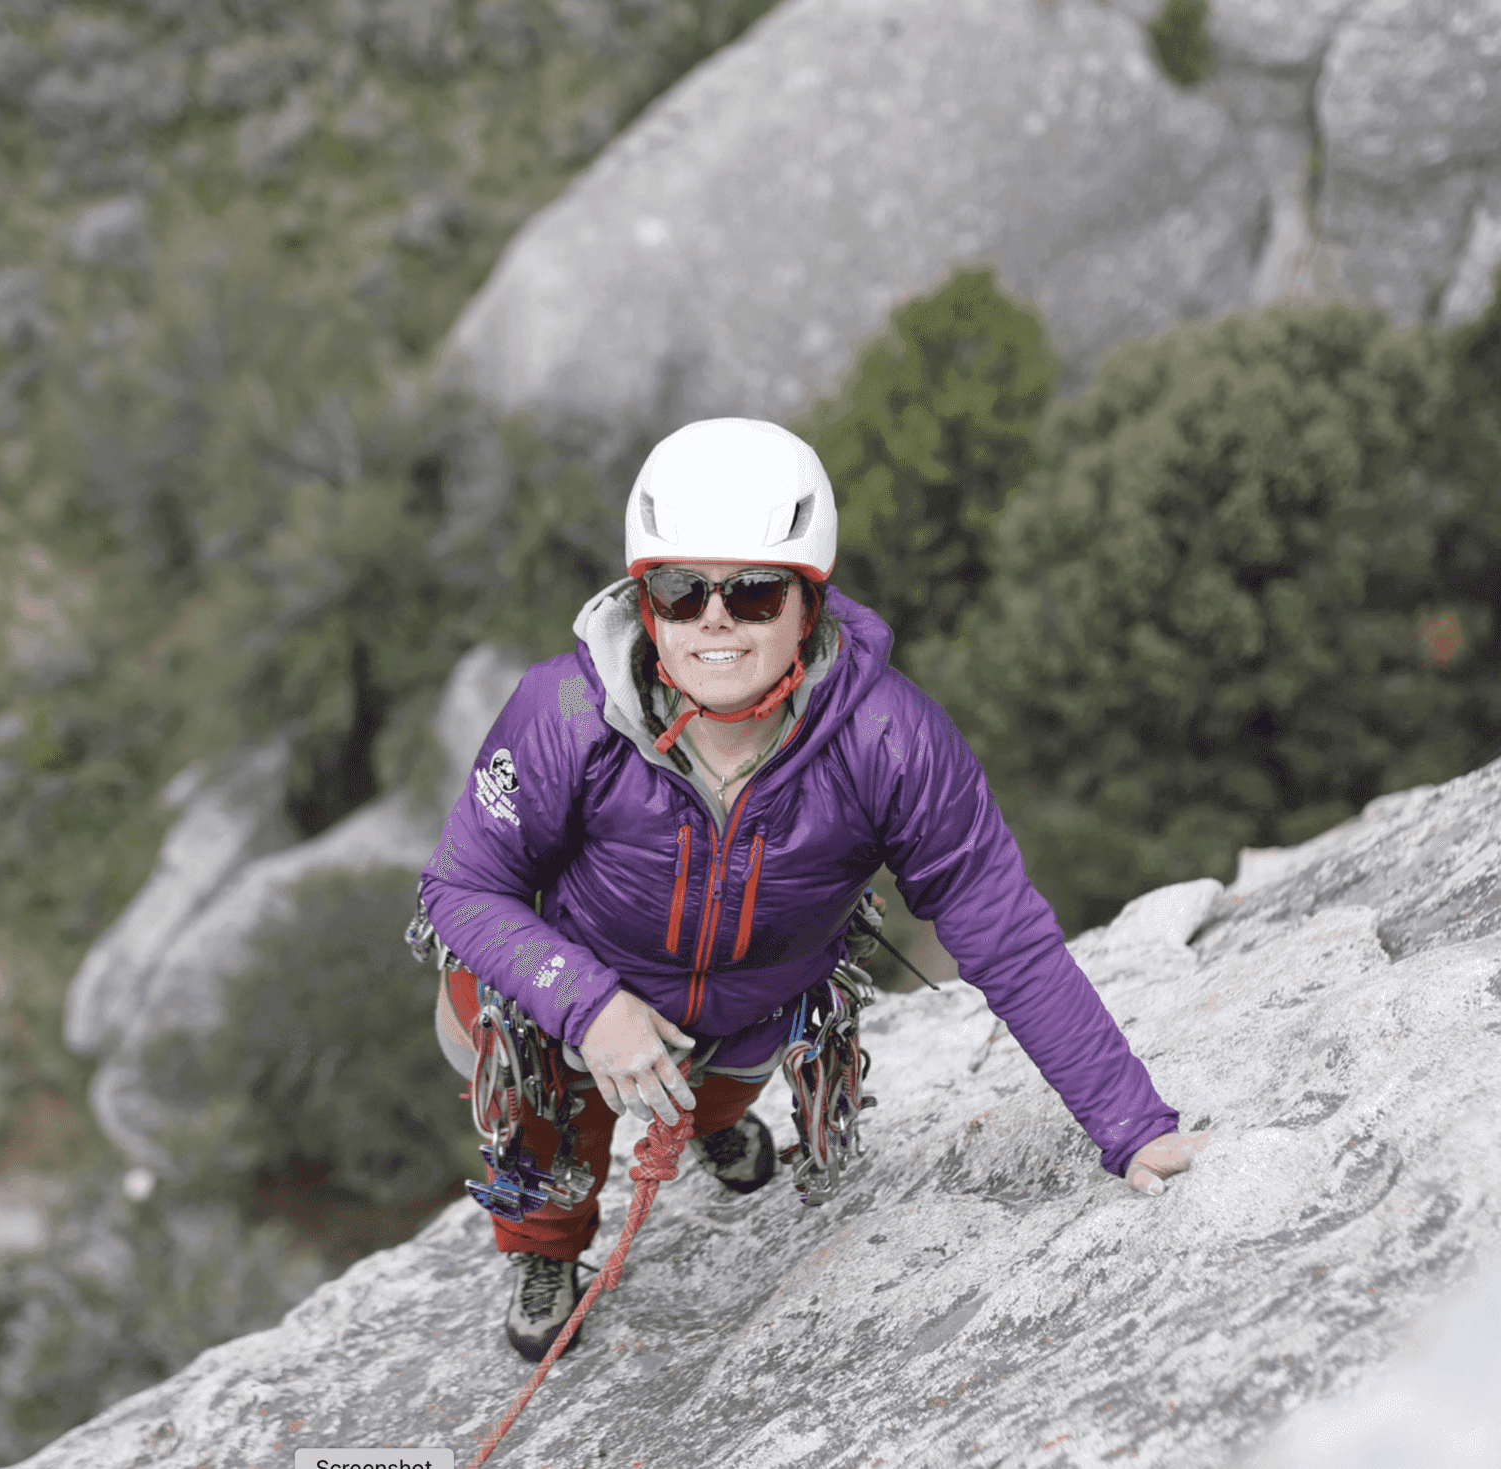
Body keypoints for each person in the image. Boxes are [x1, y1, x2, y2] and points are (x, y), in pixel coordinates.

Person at [418, 417, 1205, 1362]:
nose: (714, 619)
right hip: (572, 986)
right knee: (548, 1133)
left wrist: (1130, 1124)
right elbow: (462, 886)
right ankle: (544, 1251)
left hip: (749, 1003)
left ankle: (708, 1121)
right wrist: (588, 1007)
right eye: (679, 590)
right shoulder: (565, 715)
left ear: (807, 606)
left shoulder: (890, 741)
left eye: (752, 593)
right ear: (645, 599)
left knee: (707, 1090)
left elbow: (1005, 936)